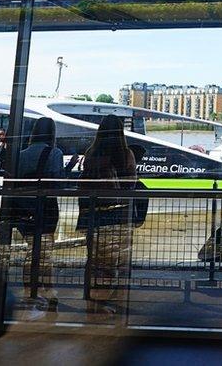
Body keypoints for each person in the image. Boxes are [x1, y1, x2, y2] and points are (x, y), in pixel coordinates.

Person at [78, 114, 136, 318]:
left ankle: (90, 300)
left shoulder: (91, 153)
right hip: (118, 215)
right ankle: (104, 302)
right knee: (114, 261)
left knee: (93, 260)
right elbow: (131, 184)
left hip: (93, 214)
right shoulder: (125, 154)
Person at [11, 117, 65, 318]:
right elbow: (57, 184)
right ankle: (48, 292)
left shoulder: (21, 154)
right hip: (46, 210)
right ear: (52, 133)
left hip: (24, 210)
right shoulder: (55, 153)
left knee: (32, 251)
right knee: (45, 253)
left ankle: (31, 292)